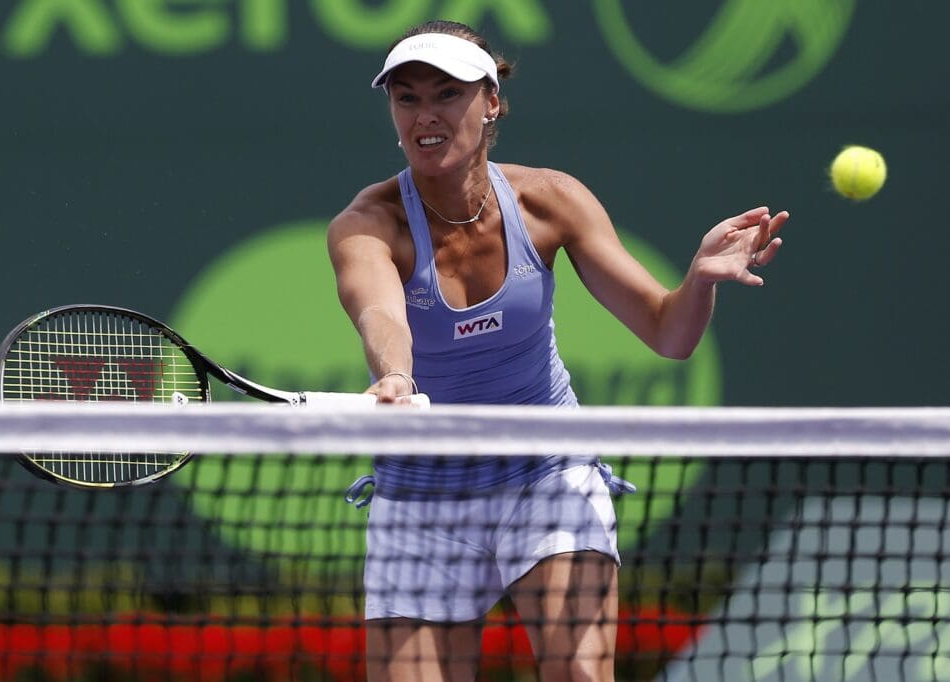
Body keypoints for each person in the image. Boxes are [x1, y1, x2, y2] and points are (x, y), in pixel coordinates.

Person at [328, 20, 787, 681]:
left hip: (546, 474)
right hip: (421, 494)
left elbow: (668, 332)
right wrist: (396, 375)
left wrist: (699, 283)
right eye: (407, 98)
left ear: (491, 103)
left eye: (446, 94)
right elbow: (379, 308)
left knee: (579, 674)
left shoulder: (552, 202)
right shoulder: (368, 224)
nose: (425, 116)